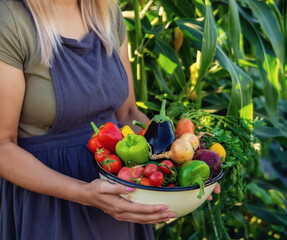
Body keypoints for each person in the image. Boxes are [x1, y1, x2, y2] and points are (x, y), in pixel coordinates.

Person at [0, 0, 218, 239]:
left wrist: (186, 166)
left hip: (121, 198)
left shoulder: (106, 11)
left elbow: (127, 114)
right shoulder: (10, 20)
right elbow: (3, 146)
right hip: (48, 207)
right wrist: (84, 192)